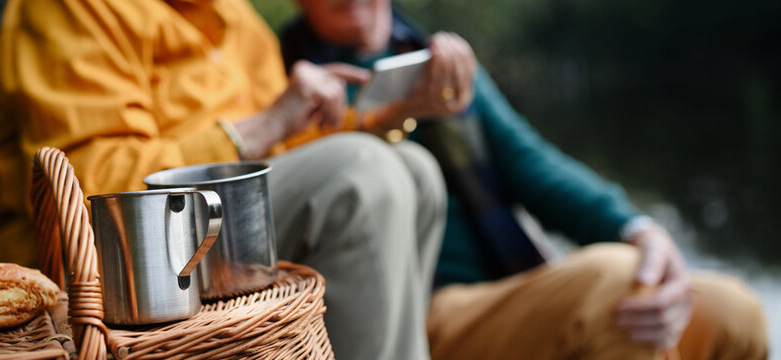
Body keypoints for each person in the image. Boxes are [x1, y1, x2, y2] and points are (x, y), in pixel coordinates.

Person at [280, 0, 768, 359]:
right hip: (417, 307)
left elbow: (531, 164)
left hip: (507, 287)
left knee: (735, 310)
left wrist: (639, 227)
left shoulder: (436, 62)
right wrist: (390, 114)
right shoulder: (287, 78)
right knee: (618, 288)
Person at [0, 0, 446, 359]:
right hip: (112, 266)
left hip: (216, 234)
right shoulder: (74, 9)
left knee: (417, 170)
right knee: (364, 177)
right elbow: (93, 192)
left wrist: (392, 113)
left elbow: (291, 157)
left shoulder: (238, 18)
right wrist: (259, 127)